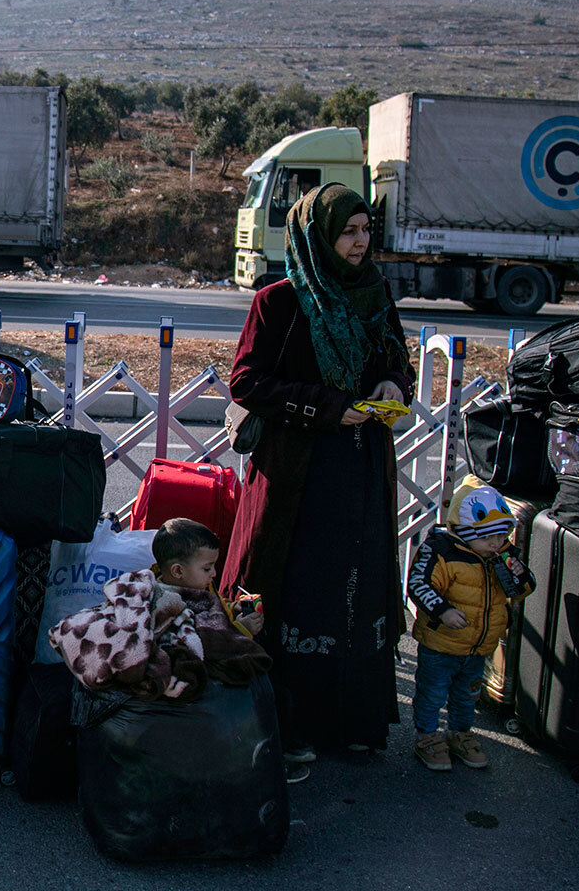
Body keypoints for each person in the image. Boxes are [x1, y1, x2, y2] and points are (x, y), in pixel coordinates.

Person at [220, 182, 414, 761]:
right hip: (299, 476)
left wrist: (389, 386)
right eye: (347, 232)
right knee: (299, 592)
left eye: (365, 230)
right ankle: (291, 726)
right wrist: (331, 407)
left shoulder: (375, 295)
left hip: (360, 472)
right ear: (317, 237)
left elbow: (398, 363)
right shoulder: (279, 302)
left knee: (355, 594)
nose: (360, 243)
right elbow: (247, 382)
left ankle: (353, 725)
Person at [406, 476, 533, 772]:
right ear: (463, 531)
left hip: (478, 647)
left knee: (467, 696)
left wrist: (516, 572)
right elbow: (419, 583)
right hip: (441, 645)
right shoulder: (442, 550)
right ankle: (427, 737)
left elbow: (525, 589)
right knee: (432, 693)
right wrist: (443, 610)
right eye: (488, 537)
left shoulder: (500, 555)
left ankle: (460, 734)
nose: (496, 543)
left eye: (501, 537)